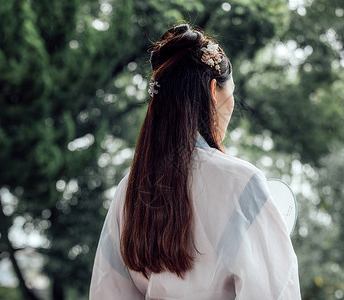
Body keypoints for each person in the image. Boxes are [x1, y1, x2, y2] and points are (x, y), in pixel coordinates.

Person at [89, 23, 301, 299]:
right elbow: (275, 292)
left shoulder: (129, 189)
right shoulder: (241, 182)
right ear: (214, 91)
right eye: (231, 94)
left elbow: (108, 291)